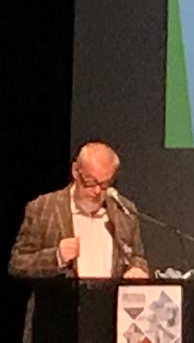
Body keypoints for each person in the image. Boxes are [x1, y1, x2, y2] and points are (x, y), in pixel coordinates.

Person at [9, 141, 150, 340]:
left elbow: (137, 257)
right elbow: (18, 264)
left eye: (105, 184)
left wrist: (138, 269)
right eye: (90, 182)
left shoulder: (124, 212)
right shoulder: (43, 208)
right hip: (57, 326)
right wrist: (56, 257)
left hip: (108, 324)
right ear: (76, 171)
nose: (97, 191)